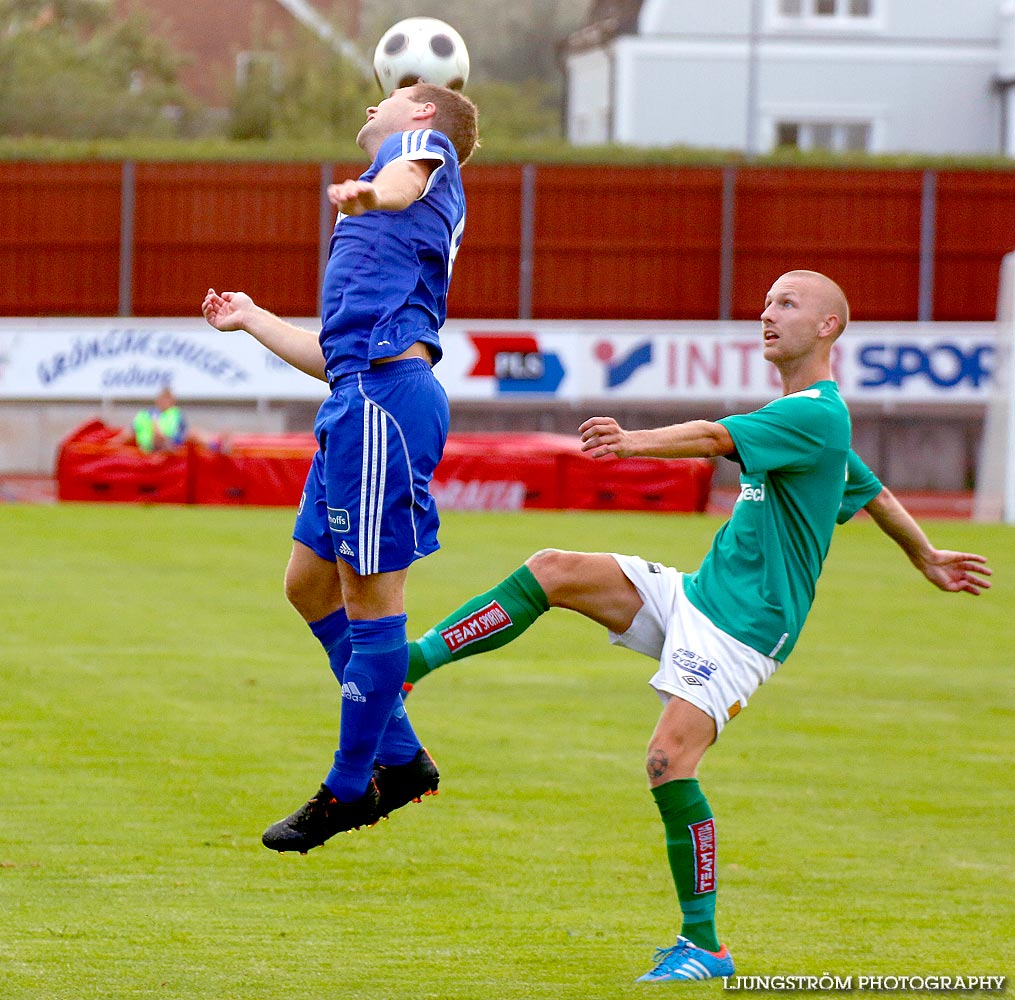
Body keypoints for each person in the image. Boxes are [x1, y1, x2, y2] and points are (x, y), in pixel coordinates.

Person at [400, 270, 992, 982]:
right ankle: (408, 666)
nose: (766, 313)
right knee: (553, 568)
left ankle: (704, 946)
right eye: (767, 301)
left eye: (786, 303)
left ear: (828, 326)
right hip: (695, 597)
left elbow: (713, 436)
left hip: (742, 632)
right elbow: (869, 488)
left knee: (666, 762)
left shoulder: (814, 415)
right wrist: (923, 553)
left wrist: (631, 442)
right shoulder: (809, 417)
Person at [201, 83, 480, 853]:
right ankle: (400, 757)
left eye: (384, 99)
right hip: (356, 396)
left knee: (367, 595)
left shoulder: (418, 158)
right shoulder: (386, 219)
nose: (368, 109)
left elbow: (405, 178)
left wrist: (368, 192)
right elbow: (334, 358)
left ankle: (349, 785)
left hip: (384, 405)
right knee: (306, 583)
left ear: (421, 115)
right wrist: (252, 318)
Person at [111, 385, 226, 454]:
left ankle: (217, 446)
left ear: (172, 401)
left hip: (172, 442)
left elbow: (184, 431)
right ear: (158, 400)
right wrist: (112, 445)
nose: (165, 402)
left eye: (168, 399)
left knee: (194, 432)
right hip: (151, 444)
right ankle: (162, 445)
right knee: (156, 428)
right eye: (163, 399)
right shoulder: (146, 414)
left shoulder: (175, 413)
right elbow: (129, 433)